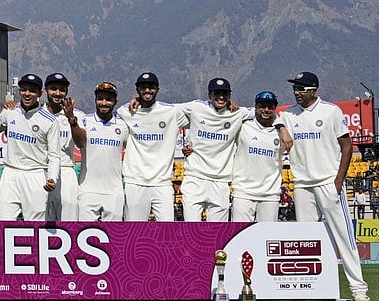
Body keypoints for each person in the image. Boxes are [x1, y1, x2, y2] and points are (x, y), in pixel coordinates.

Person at [279, 71, 369, 301]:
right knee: (306, 240)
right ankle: (312, 288)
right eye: (295, 88)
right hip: (302, 185)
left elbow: (347, 146)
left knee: (344, 237)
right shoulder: (289, 114)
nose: (296, 92)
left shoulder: (331, 111)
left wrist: (338, 181)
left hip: (328, 182)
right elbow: (271, 118)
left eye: (301, 88)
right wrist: (281, 127)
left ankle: (359, 288)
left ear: (314, 90)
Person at [178, 78, 253, 222]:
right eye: (217, 93)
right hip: (195, 178)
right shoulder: (196, 107)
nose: (221, 97)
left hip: (220, 182)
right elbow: (165, 110)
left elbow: (264, 112)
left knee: (217, 234)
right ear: (209, 95)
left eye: (225, 93)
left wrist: (281, 127)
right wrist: (138, 101)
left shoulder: (237, 113)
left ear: (230, 96)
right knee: (191, 230)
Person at [118, 72, 187, 221]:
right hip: (135, 182)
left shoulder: (171, 112)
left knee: (167, 233)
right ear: (137, 90)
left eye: (151, 87)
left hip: (162, 183)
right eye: (143, 87)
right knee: (134, 232)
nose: (147, 90)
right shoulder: (126, 111)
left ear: (158, 89)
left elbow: (200, 116)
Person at [0, 74, 60, 221]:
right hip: (10, 173)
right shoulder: (9, 112)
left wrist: (52, 178)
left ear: (39, 93)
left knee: (35, 227)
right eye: (24, 89)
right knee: (4, 224)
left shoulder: (50, 120)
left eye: (31, 90)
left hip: (35, 175)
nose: (27, 94)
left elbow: (54, 155)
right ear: (19, 91)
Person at [74, 82, 128, 221]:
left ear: (115, 102)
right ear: (95, 100)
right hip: (87, 190)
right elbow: (78, 141)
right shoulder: (85, 120)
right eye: (100, 98)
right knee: (84, 235)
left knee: (113, 238)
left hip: (114, 192)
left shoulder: (123, 125)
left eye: (108, 99)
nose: (104, 103)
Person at [230, 91, 284, 222]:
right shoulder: (243, 125)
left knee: (267, 238)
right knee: (240, 236)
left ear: (275, 108)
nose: (266, 110)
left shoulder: (282, 131)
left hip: (270, 194)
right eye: (262, 106)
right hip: (243, 192)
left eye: (270, 107)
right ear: (255, 107)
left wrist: (282, 128)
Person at [43, 72, 83, 221]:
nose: (57, 93)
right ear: (46, 90)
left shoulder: (77, 115)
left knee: (69, 222)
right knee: (41, 222)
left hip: (66, 171)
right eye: (53, 88)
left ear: (66, 92)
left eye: (62, 89)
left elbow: (81, 143)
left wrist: (71, 118)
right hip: (41, 170)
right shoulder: (36, 114)